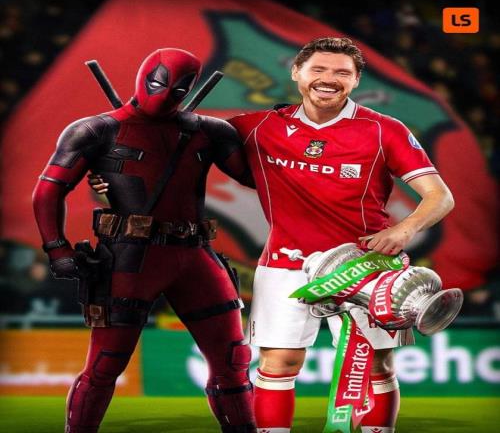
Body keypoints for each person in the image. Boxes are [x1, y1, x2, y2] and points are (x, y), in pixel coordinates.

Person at [91, 38, 455, 433]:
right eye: (318, 69)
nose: (328, 79)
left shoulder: (385, 130)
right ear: (297, 73)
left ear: (355, 80)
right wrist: (110, 176)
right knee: (277, 365)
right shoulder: (257, 126)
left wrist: (404, 229)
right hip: (285, 264)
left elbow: (440, 197)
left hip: (366, 265)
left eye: (341, 72)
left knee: (376, 366)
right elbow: (168, 139)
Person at [32, 48, 257, 433]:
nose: (165, 93)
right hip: (129, 258)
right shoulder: (95, 130)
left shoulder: (209, 131)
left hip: (193, 255)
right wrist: (57, 249)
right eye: (159, 83)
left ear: (190, 88)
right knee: (105, 365)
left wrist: (284, 134)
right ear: (143, 77)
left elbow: (258, 177)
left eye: (178, 88)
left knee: (233, 362)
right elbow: (48, 191)